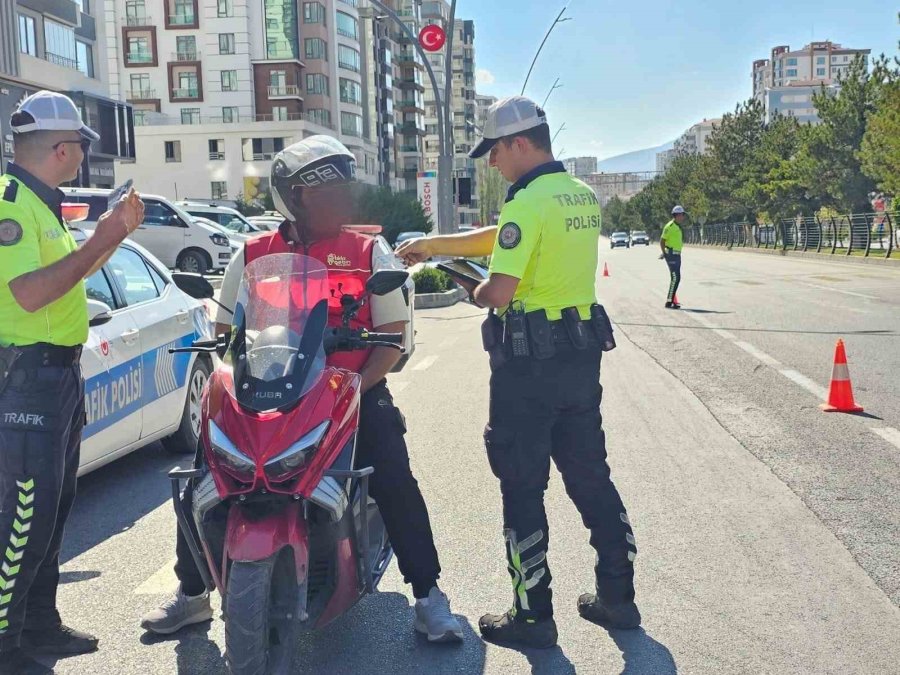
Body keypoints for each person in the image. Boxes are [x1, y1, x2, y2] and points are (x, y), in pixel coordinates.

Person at [140, 136, 463, 644]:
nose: (341, 199)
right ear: (292, 196)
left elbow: (396, 340)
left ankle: (428, 596)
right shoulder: (252, 253)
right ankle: (193, 594)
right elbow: (227, 334)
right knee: (203, 472)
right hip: (266, 395)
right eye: (326, 191)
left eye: (343, 189)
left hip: (350, 394)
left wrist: (357, 386)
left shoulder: (366, 250)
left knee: (394, 474)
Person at [397, 96, 639, 649]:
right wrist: (434, 246)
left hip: (527, 370)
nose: (491, 164)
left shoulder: (527, 205)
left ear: (520, 144)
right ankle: (618, 599)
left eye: (495, 152)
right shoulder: (580, 197)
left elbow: (499, 289)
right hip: (580, 361)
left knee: (522, 486)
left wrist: (470, 285)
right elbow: (506, 233)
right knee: (590, 477)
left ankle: (533, 614)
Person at [0, 90, 144, 675]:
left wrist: (106, 239)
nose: (84, 155)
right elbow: (31, 293)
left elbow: (60, 285)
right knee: (21, 520)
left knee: (53, 510)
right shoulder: (9, 205)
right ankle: (7, 646)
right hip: (26, 380)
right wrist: (107, 238)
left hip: (55, 376)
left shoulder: (42, 203)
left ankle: (39, 624)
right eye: (81, 146)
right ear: (61, 149)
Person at [659, 205, 686, 309]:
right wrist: (665, 253)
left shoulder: (678, 226)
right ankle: (669, 301)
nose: (683, 217)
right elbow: (662, 241)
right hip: (671, 255)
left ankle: (671, 300)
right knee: (675, 278)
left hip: (677, 255)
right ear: (677, 215)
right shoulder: (669, 226)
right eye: (682, 214)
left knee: (676, 278)